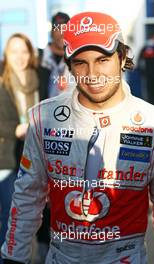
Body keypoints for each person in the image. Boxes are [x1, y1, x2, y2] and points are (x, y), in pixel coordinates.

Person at [1, 12, 154, 264]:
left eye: (103, 59)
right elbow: (27, 196)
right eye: (80, 62)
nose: (92, 73)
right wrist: (13, 257)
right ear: (69, 65)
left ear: (122, 57)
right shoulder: (43, 118)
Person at [0, 33, 50, 263]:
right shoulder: (1, 79)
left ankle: (42, 253)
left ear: (31, 53)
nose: (19, 57)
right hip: (8, 157)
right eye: (14, 51)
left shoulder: (42, 76)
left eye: (24, 51)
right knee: (13, 214)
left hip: (40, 153)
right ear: (6, 55)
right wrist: (16, 129)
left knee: (44, 209)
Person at [39, 11, 75, 97]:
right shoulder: (38, 58)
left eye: (66, 29)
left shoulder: (77, 58)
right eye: (58, 28)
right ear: (51, 32)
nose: (62, 33)